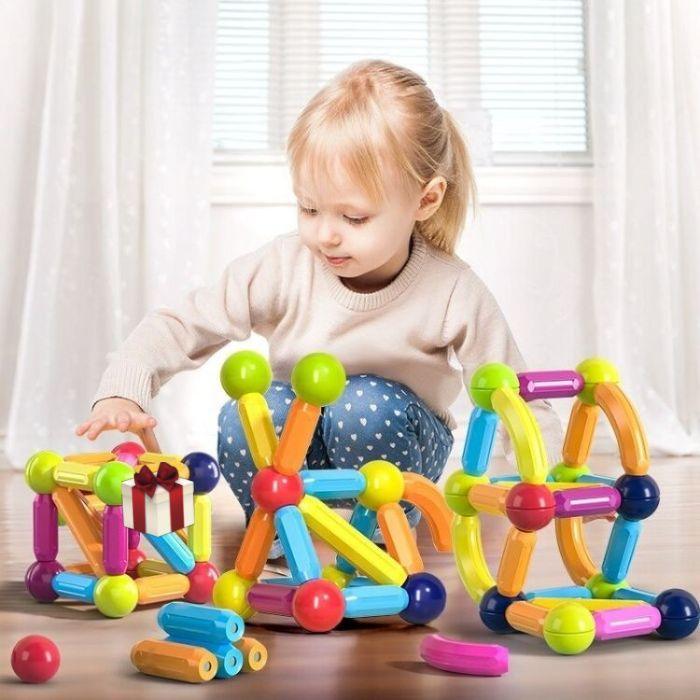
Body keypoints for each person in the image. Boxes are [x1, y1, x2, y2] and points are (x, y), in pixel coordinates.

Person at [77, 59, 562, 558]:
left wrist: (549, 477)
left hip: (397, 453)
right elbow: (183, 324)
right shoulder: (285, 265)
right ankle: (272, 527)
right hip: (297, 450)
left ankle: (378, 531)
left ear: (425, 200)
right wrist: (123, 390)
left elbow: (512, 391)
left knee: (363, 404)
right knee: (250, 411)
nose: (325, 234)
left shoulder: (452, 289)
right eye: (309, 208)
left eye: (353, 217)